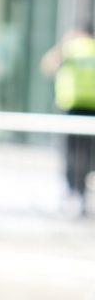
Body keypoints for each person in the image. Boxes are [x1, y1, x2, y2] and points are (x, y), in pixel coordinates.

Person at [41, 24, 95, 215]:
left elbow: (47, 65)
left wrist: (64, 43)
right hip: (92, 108)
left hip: (72, 107)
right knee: (87, 155)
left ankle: (73, 193)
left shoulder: (70, 48)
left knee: (71, 154)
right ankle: (79, 194)